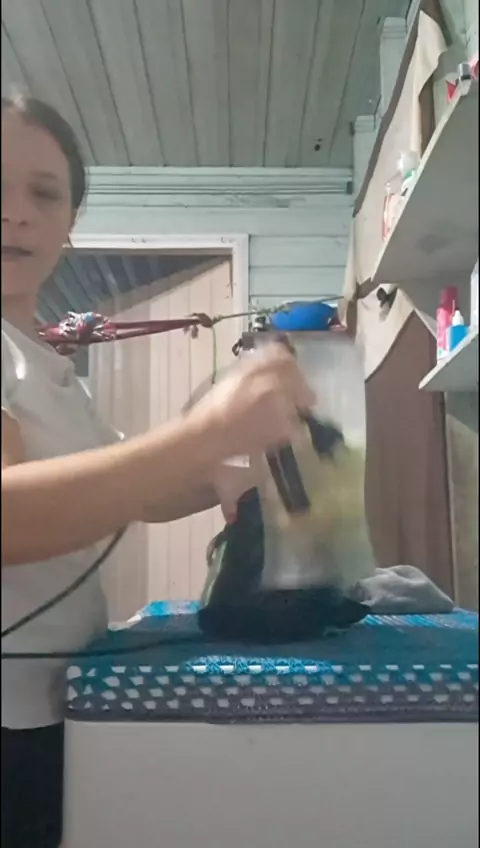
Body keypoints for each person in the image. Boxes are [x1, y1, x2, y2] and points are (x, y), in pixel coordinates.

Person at [1, 92, 315, 847]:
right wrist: (209, 431)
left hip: (47, 702)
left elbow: (128, 489)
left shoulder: (42, 364)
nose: (15, 214)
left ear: (70, 222)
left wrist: (219, 476)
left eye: (44, 194)